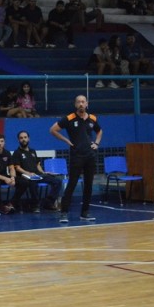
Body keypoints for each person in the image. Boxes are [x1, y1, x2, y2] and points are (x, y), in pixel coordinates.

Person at [49, 95, 102, 223]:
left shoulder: (92, 118)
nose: (81, 104)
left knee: (88, 185)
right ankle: (64, 213)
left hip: (90, 156)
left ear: (87, 104)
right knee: (71, 184)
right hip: (76, 156)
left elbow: (99, 131)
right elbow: (53, 130)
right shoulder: (69, 118)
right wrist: (66, 140)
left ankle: (85, 212)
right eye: (78, 102)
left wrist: (96, 143)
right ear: (75, 104)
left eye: (83, 102)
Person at [11, 130, 63, 212]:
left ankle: (48, 202)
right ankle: (35, 205)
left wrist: (43, 172)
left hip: (38, 175)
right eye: (21, 138)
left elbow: (37, 164)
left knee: (58, 181)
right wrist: (28, 173)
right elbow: (17, 167)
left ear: (28, 139)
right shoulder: (17, 153)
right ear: (18, 140)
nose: (23, 139)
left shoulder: (33, 151)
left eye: (25, 137)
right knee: (32, 182)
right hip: (26, 176)